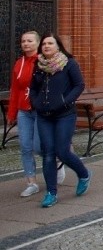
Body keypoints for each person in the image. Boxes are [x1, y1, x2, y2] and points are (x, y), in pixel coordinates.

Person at [29, 33, 90, 208]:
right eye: (44, 44)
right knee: (48, 153)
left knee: (62, 152)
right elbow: (33, 88)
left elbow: (79, 85)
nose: (46, 46)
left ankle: (83, 174)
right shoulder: (38, 65)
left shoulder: (69, 64)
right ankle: (51, 193)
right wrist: (36, 102)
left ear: (58, 46)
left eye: (50, 43)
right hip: (44, 115)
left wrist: (65, 101)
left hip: (65, 115)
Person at [8, 30, 65, 198]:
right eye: (23, 41)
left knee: (39, 146)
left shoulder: (43, 62)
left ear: (37, 43)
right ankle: (31, 182)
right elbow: (15, 89)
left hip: (40, 110)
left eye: (30, 41)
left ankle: (57, 159)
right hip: (23, 111)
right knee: (25, 147)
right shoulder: (19, 63)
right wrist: (12, 112)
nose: (26, 44)